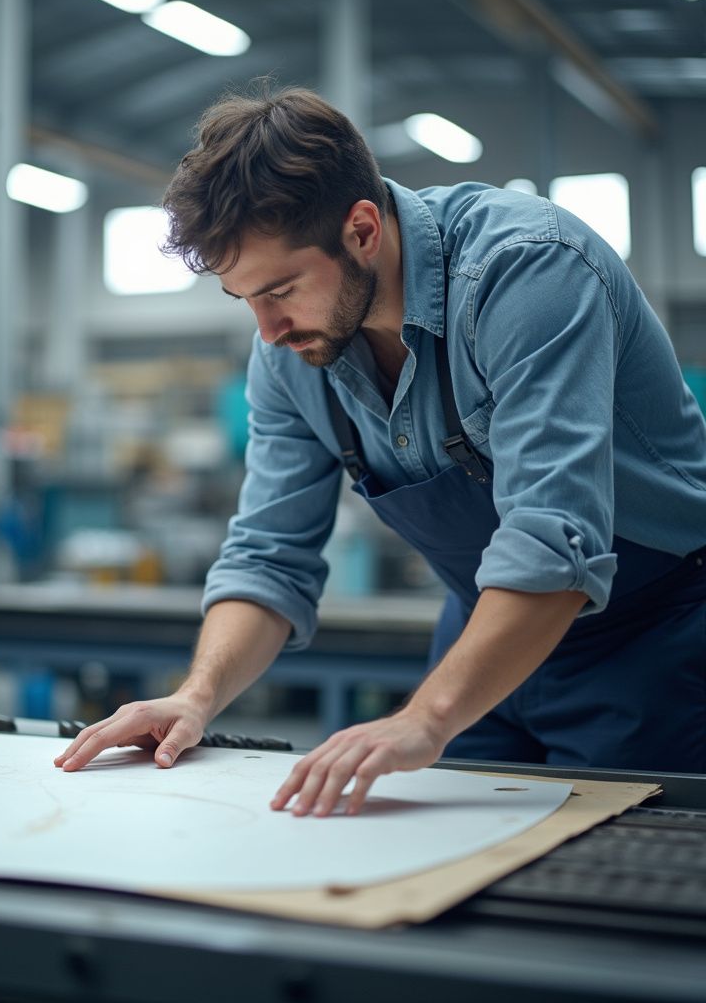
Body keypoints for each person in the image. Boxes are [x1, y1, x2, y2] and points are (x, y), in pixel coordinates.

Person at [55, 85, 706, 815]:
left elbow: (554, 539)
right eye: (246, 301)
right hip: (484, 631)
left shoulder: (527, 271)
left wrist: (424, 719)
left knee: (621, 895)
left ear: (362, 229)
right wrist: (196, 696)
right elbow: (269, 552)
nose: (267, 330)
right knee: (445, 873)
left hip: (656, 637)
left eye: (282, 290)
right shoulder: (291, 353)